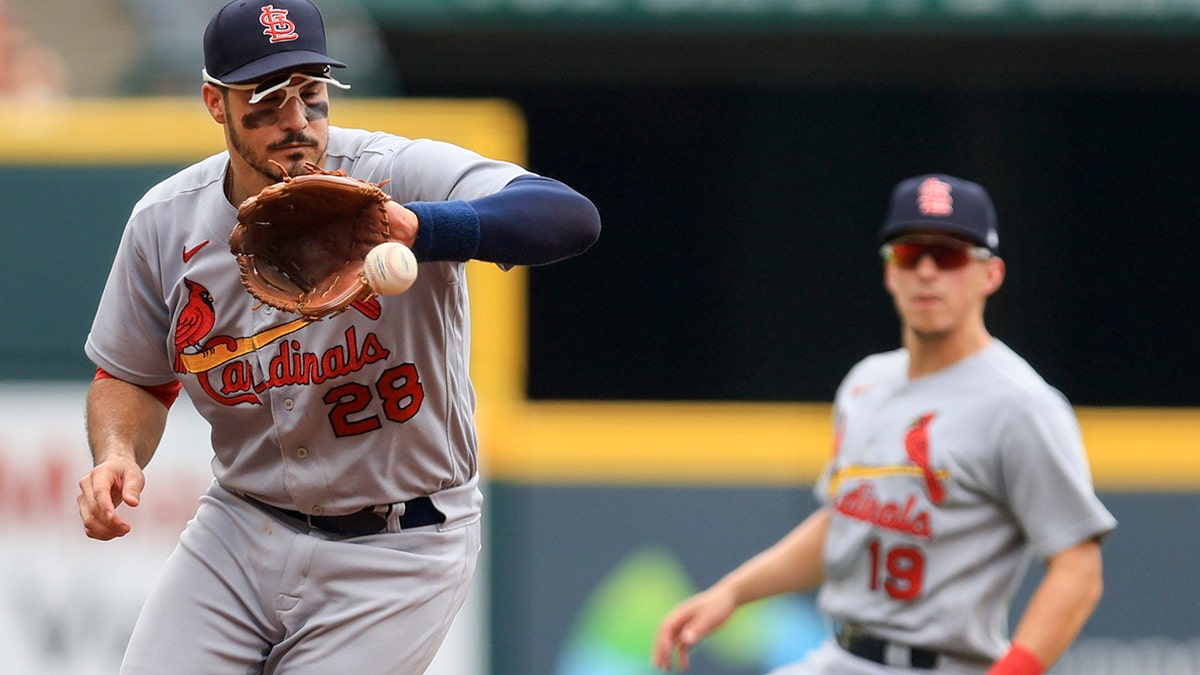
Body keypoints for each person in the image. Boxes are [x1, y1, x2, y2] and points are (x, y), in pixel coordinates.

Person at [76, 1, 600, 673]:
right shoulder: (165, 223)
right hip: (239, 527)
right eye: (266, 97)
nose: (295, 119)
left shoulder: (393, 174)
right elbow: (134, 374)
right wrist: (118, 451)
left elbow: (569, 217)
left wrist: (423, 226)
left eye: (310, 91)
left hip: (400, 547)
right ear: (216, 102)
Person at [652, 174, 1115, 675]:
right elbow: (847, 522)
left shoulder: (1022, 406)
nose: (928, 271)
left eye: (952, 255)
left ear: (991, 274)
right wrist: (732, 593)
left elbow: (1078, 569)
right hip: (839, 656)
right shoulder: (865, 383)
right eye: (910, 253)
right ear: (889, 272)